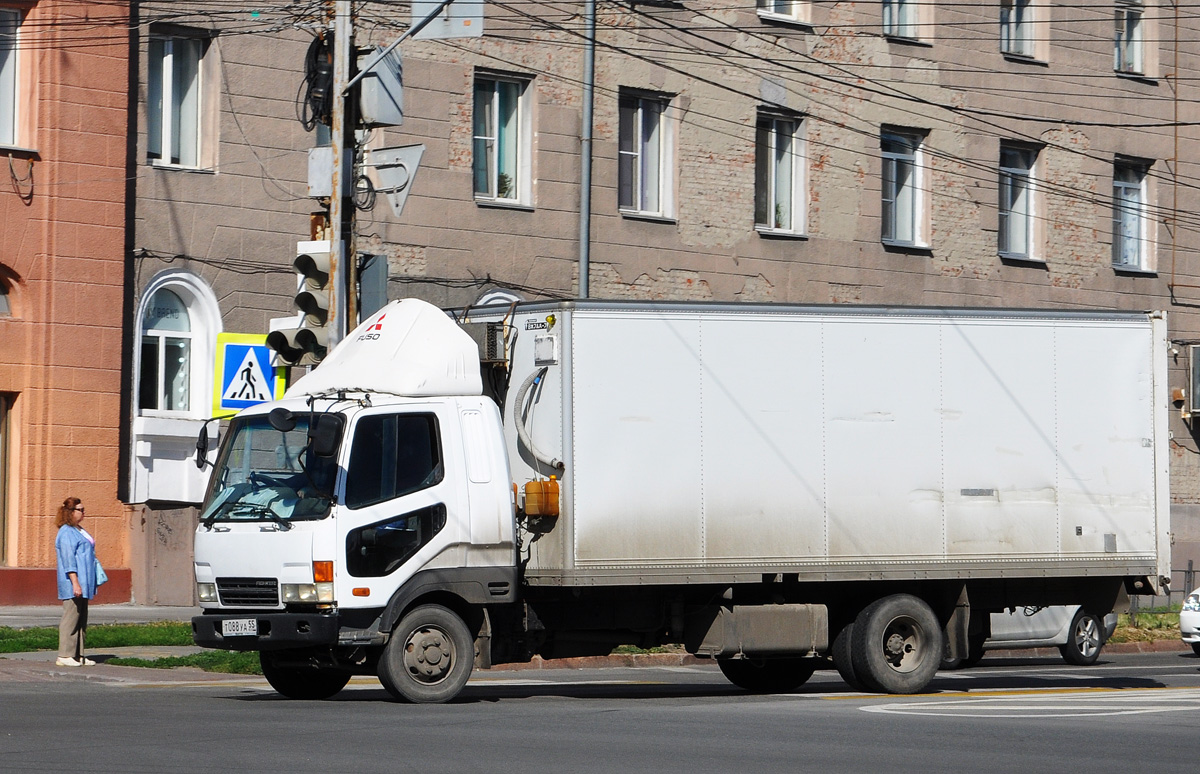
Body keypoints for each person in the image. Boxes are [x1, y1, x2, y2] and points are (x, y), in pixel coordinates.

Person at [54, 497, 97, 667]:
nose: (83, 513)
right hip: (73, 582)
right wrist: (75, 583)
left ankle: (78, 654)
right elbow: (68, 560)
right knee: (71, 617)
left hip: (84, 581)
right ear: (70, 512)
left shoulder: (78, 530)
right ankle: (64, 654)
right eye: (80, 510)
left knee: (81, 618)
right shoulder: (65, 532)